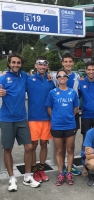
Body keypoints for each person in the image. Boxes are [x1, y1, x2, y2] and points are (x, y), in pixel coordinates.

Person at [0, 53, 40, 192]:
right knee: (8, 149)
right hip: (6, 119)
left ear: (21, 64)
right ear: (9, 63)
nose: (16, 65)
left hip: (22, 118)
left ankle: (27, 176)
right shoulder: (3, 78)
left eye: (18, 63)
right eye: (13, 62)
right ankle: (12, 178)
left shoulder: (24, 76)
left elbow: (36, 79)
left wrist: (49, 76)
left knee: (29, 147)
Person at [45, 69, 79, 186]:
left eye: (64, 75)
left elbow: (75, 108)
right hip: (57, 126)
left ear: (67, 78)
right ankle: (61, 173)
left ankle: (69, 172)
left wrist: (69, 117)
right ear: (57, 78)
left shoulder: (72, 92)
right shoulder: (52, 92)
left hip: (70, 125)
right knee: (59, 150)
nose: (62, 77)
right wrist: (55, 118)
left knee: (70, 149)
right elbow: (49, 108)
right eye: (59, 76)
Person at [26, 56, 54, 183]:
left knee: (43, 144)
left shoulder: (51, 80)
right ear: (36, 65)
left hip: (47, 118)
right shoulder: (29, 80)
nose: (42, 67)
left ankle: (41, 169)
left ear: (47, 66)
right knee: (33, 146)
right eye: (40, 64)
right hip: (33, 118)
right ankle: (34, 170)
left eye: (44, 65)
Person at [53, 53, 81, 176]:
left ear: (73, 63)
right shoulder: (55, 76)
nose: (68, 64)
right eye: (66, 62)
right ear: (62, 63)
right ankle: (62, 166)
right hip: (59, 115)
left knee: (70, 145)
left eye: (70, 61)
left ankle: (70, 166)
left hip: (72, 113)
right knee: (61, 145)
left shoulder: (77, 76)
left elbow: (78, 94)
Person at [79, 61, 94, 142]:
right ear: (86, 71)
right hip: (86, 115)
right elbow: (76, 97)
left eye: (93, 70)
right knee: (86, 138)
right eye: (89, 70)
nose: (91, 72)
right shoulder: (81, 82)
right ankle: (84, 154)